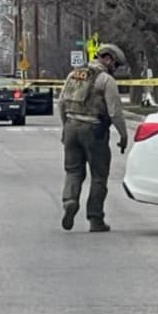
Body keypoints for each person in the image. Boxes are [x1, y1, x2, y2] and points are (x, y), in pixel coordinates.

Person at [58, 43, 129, 232]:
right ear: (109, 59)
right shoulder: (105, 80)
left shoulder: (74, 74)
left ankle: (70, 201)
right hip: (94, 130)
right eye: (116, 65)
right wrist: (123, 135)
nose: (116, 69)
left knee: (73, 171)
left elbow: (62, 102)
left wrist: (65, 126)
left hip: (71, 126)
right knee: (99, 176)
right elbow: (115, 112)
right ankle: (95, 219)